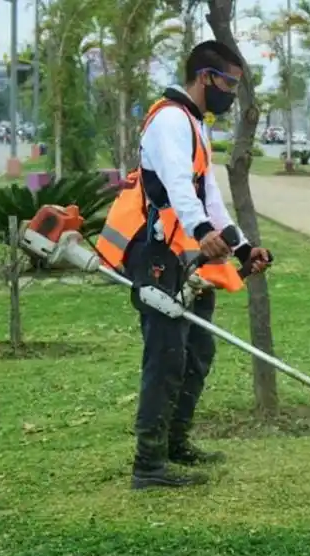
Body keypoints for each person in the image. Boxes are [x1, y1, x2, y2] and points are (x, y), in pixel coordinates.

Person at [95, 40, 273, 490]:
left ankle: (175, 443)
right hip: (154, 250)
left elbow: (208, 195)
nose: (232, 94)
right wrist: (203, 232)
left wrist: (241, 247)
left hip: (180, 252)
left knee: (197, 349)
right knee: (166, 353)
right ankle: (148, 465)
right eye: (229, 84)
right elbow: (177, 185)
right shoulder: (170, 119)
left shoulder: (194, 123)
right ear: (205, 77)